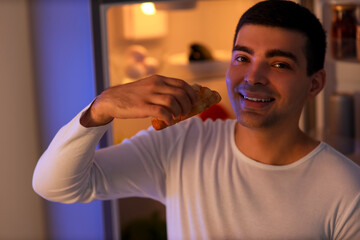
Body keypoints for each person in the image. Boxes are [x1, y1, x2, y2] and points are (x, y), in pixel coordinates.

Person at [33, 1, 360, 239]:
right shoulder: (182, 144)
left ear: (314, 83)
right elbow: (55, 186)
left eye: (279, 64)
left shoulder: (346, 189)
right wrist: (100, 110)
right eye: (242, 58)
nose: (253, 77)